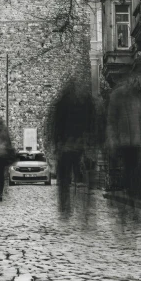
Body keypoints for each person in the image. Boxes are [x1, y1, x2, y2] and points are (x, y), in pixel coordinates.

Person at [47, 78, 98, 215]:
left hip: (67, 145)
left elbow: (54, 125)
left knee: (65, 177)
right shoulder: (84, 103)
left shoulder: (62, 104)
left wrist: (55, 142)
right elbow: (91, 122)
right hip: (77, 144)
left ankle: (65, 206)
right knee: (78, 175)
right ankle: (82, 204)